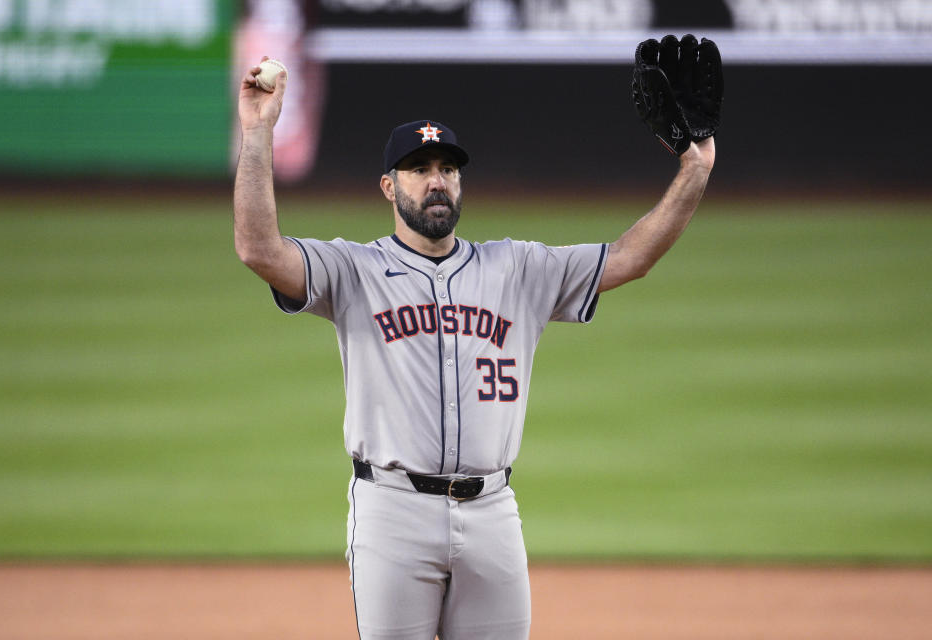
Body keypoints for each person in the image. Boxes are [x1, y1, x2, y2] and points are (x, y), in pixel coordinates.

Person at [234, 36, 720, 640]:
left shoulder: (517, 268)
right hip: (392, 512)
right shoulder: (352, 270)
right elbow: (258, 249)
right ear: (388, 187)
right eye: (418, 170)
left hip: (492, 513)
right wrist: (257, 135)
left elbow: (631, 257)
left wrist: (695, 166)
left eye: (447, 168)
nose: (436, 181)